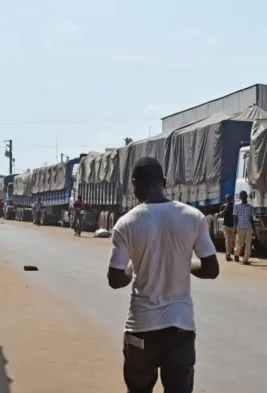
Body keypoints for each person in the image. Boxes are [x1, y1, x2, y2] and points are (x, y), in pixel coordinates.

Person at [107, 157, 219, 393]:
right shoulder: (193, 217)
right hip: (180, 327)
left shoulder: (126, 223)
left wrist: (131, 270)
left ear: (135, 185)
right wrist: (184, 262)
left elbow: (115, 280)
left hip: (141, 326)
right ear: (164, 182)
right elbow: (211, 270)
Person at [233, 190, 254, 265]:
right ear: (241, 197)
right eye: (243, 196)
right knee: (239, 243)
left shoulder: (250, 207)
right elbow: (235, 216)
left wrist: (253, 229)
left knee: (248, 244)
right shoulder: (236, 205)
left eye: (245, 196)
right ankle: (236, 254)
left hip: (248, 227)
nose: (245, 197)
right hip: (240, 227)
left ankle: (245, 260)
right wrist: (235, 227)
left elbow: (251, 219)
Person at [218, 194, 235, 261]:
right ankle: (228, 255)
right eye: (228, 199)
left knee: (232, 241)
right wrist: (226, 208)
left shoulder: (234, 206)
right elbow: (220, 214)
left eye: (229, 199)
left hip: (232, 226)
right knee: (228, 241)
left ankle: (229, 254)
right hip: (226, 226)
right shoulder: (223, 206)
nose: (229, 201)